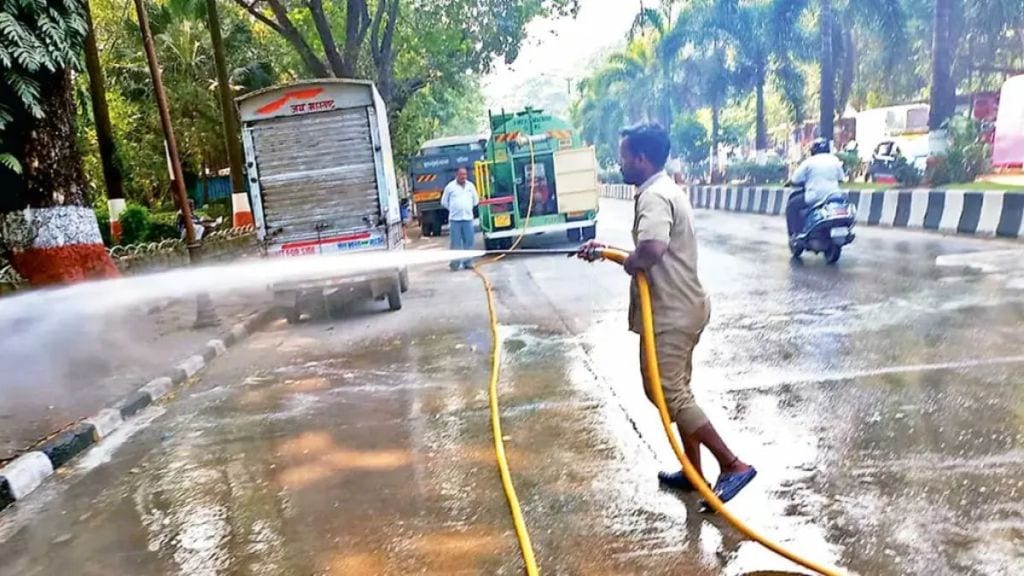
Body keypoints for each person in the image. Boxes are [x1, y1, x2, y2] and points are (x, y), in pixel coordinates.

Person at [578, 123, 756, 504]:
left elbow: (652, 250)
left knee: (665, 391)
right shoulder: (665, 188)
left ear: (641, 158)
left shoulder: (654, 197)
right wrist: (607, 249)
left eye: (624, 157)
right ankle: (695, 473)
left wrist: (628, 262)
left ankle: (732, 464)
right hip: (685, 305)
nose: (620, 164)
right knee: (678, 392)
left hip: (672, 312)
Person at [787, 138, 845, 238]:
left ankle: (795, 235)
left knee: (791, 206)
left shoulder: (808, 162)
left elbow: (795, 179)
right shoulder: (834, 160)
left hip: (814, 196)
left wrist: (791, 182)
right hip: (833, 196)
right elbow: (841, 178)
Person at [441, 167, 479, 270]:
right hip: (455, 220)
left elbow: (475, 201)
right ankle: (455, 264)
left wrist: (467, 207)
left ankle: (468, 262)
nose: (463, 177)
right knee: (455, 243)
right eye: (461, 175)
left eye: (465, 175)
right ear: (457, 175)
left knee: (469, 241)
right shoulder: (450, 187)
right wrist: (453, 209)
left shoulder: (470, 186)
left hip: (468, 218)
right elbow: (444, 202)